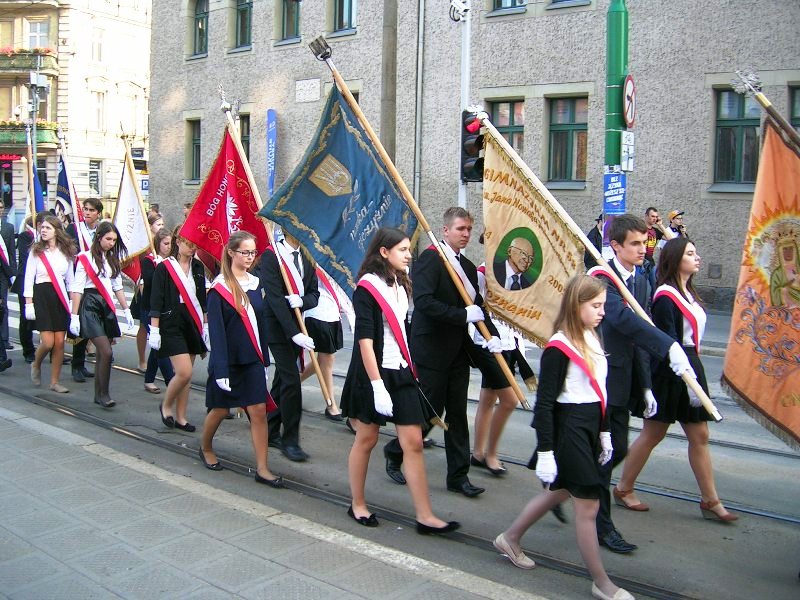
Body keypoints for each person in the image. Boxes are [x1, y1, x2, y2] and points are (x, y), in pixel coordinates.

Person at [494, 274, 634, 600]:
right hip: (569, 428)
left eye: (603, 305)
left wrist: (604, 432)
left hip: (590, 426)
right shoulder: (558, 347)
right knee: (588, 505)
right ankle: (601, 582)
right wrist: (545, 451)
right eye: (595, 305)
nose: (602, 312)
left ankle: (510, 538)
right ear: (576, 305)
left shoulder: (591, 335)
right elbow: (544, 404)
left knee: (559, 493)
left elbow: (599, 392)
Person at [587, 213, 694, 553]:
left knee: (616, 449)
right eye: (633, 243)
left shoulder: (642, 280)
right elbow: (623, 320)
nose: (641, 249)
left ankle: (568, 484)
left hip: (626, 379)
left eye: (644, 242)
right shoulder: (600, 278)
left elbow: (639, 336)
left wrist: (646, 385)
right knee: (606, 454)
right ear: (615, 245)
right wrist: (668, 345)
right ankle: (601, 526)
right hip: (599, 380)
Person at [341, 227, 459, 534]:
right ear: (384, 252)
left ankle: (425, 516)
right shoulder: (367, 288)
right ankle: (357, 504)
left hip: (401, 371)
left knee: (414, 442)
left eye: (409, 249)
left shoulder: (401, 283)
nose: (409, 255)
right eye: (403, 250)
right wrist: (377, 386)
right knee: (366, 439)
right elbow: (365, 341)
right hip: (374, 374)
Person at [616, 238, 738, 522]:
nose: (697, 258)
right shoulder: (665, 296)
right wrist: (686, 377)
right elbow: (667, 340)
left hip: (692, 364)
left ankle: (710, 500)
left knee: (700, 435)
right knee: (653, 433)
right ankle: (623, 488)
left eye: (696, 252)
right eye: (690, 253)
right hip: (671, 370)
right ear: (675, 259)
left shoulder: (689, 293)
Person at [383, 207, 492, 498]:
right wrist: (462, 315)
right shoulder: (431, 259)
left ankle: (458, 476)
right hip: (431, 348)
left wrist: (491, 336)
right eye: (460, 229)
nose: (466, 234)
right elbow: (425, 302)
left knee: (457, 413)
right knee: (429, 410)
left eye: (469, 229)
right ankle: (395, 451)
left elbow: (477, 307)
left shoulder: (467, 267)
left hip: (458, 351)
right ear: (446, 230)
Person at [200, 231, 283, 487]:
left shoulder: (256, 284)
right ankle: (205, 447)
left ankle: (263, 468)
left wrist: (265, 360)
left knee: (258, 411)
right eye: (244, 252)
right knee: (220, 409)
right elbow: (217, 333)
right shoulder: (219, 289)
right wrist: (221, 369)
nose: (249, 257)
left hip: (252, 359)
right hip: (228, 361)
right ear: (231, 252)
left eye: (252, 252)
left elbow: (261, 325)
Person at [259, 232, 319, 462]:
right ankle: (290, 440)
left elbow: (314, 293)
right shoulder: (272, 255)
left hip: (298, 324)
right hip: (277, 327)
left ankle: (271, 430)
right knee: (292, 380)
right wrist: (294, 334)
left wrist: (303, 301)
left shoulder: (307, 256)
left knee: (282, 380)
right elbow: (274, 299)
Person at [148, 226, 208, 432]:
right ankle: (166, 405)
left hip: (192, 321)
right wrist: (154, 329)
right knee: (183, 372)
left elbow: (202, 299)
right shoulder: (164, 268)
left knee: (187, 376)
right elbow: (156, 300)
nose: (192, 248)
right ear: (178, 241)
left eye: (195, 244)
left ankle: (181, 417)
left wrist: (205, 326)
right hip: (171, 322)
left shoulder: (197, 267)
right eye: (188, 243)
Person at [68, 222, 135, 408]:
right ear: (99, 237)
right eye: (108, 239)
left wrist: (126, 309)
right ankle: (104, 394)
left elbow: (117, 287)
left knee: (102, 354)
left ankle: (100, 394)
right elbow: (77, 288)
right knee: (106, 351)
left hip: (105, 306)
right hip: (89, 305)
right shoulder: (85, 258)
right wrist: (74, 315)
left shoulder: (112, 259)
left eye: (114, 240)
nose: (111, 243)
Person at [25, 215, 76, 392]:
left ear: (57, 231)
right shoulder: (36, 251)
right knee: (47, 342)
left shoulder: (66, 251)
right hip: (42, 295)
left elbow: (70, 280)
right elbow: (29, 278)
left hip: (60, 296)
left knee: (60, 342)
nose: (44, 230)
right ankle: (36, 363)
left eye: (48, 228)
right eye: (43, 228)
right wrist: (28, 303)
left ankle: (55, 382)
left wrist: (72, 304)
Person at [300, 265, 352, 421]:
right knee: (327, 358)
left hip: (332, 311)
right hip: (317, 311)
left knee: (323, 360)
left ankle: (291, 384)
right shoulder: (313, 259)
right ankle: (331, 404)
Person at [67, 197, 103, 383]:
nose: (87, 212)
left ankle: (90, 362)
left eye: (91, 210)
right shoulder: (74, 229)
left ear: (98, 213)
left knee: (95, 325)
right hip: (79, 281)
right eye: (85, 209)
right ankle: (77, 365)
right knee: (80, 326)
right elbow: (67, 250)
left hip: (98, 283)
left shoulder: (102, 230)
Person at [139, 228, 175, 393]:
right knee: (160, 346)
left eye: (170, 243)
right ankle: (171, 382)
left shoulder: (172, 261)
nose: (169, 246)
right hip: (149, 308)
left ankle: (149, 380)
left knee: (157, 345)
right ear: (158, 244)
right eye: (165, 243)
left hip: (165, 309)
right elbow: (149, 281)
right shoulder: (149, 261)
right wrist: (159, 268)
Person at [134, 213, 168, 371]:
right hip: (146, 294)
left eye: (162, 224)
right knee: (144, 326)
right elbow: (142, 275)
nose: (161, 227)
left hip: (161, 298)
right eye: (158, 224)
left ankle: (150, 374)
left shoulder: (165, 246)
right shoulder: (144, 246)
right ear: (150, 226)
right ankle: (142, 360)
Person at [13, 213, 47, 364]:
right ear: (38, 224)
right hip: (26, 281)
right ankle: (28, 350)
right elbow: (25, 259)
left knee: (47, 317)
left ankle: (51, 349)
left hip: (43, 282)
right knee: (26, 317)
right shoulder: (25, 237)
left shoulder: (50, 240)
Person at [0, 207, 17, 355]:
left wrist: (13, 273)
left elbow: (11, 252)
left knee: (3, 305)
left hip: (2, 273)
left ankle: (4, 339)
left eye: (1, 208)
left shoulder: (8, 227)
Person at [643, 207, 664, 293]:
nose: (654, 218)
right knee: (646, 288)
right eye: (652, 216)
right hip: (640, 261)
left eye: (656, 217)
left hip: (650, 261)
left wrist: (660, 225)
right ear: (646, 216)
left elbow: (669, 238)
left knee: (655, 285)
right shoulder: (640, 228)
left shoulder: (655, 231)